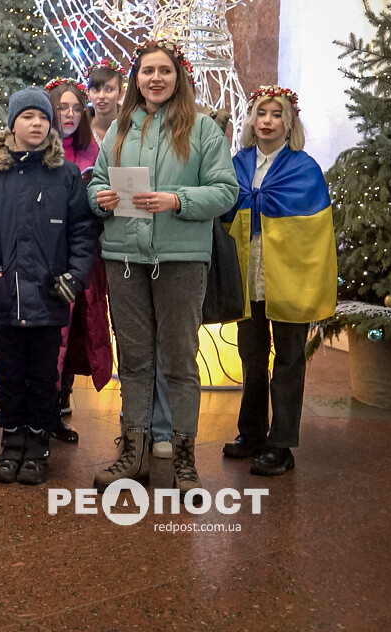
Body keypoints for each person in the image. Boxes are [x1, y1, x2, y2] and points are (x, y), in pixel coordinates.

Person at [89, 39, 238, 495]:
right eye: (147, 71)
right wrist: (100, 199)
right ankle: (131, 452)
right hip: (125, 258)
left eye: (165, 71)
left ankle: (183, 458)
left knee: (178, 361)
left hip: (180, 260)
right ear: (136, 79)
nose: (155, 78)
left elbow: (226, 191)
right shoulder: (118, 130)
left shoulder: (203, 130)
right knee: (133, 361)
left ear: (179, 77)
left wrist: (178, 199)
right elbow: (95, 182)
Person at [0, 88, 97, 485]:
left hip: (49, 298)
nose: (36, 124)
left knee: (42, 377)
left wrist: (74, 276)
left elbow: (82, 232)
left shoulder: (65, 174)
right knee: (7, 375)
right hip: (4, 297)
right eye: (28, 117)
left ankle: (36, 446)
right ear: (12, 124)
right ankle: (12, 443)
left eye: (42, 117)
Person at [223, 86, 336, 477]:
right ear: (252, 120)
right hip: (249, 273)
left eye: (276, 114)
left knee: (288, 361)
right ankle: (251, 433)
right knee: (251, 357)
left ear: (289, 123)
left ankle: (281, 443)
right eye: (261, 113)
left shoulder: (304, 169)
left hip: (288, 277)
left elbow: (314, 233)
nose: (268, 120)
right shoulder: (237, 164)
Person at [46, 77, 113, 445]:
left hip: (84, 257)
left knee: (75, 338)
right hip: (46, 258)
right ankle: (39, 410)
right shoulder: (39, 149)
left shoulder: (94, 152)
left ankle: (58, 408)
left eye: (75, 108)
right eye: (62, 108)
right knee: (50, 336)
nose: (70, 115)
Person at [85, 58, 127, 147]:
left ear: (120, 93)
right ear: (88, 94)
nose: (101, 96)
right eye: (96, 90)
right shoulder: (82, 129)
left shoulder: (130, 128)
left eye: (109, 90)